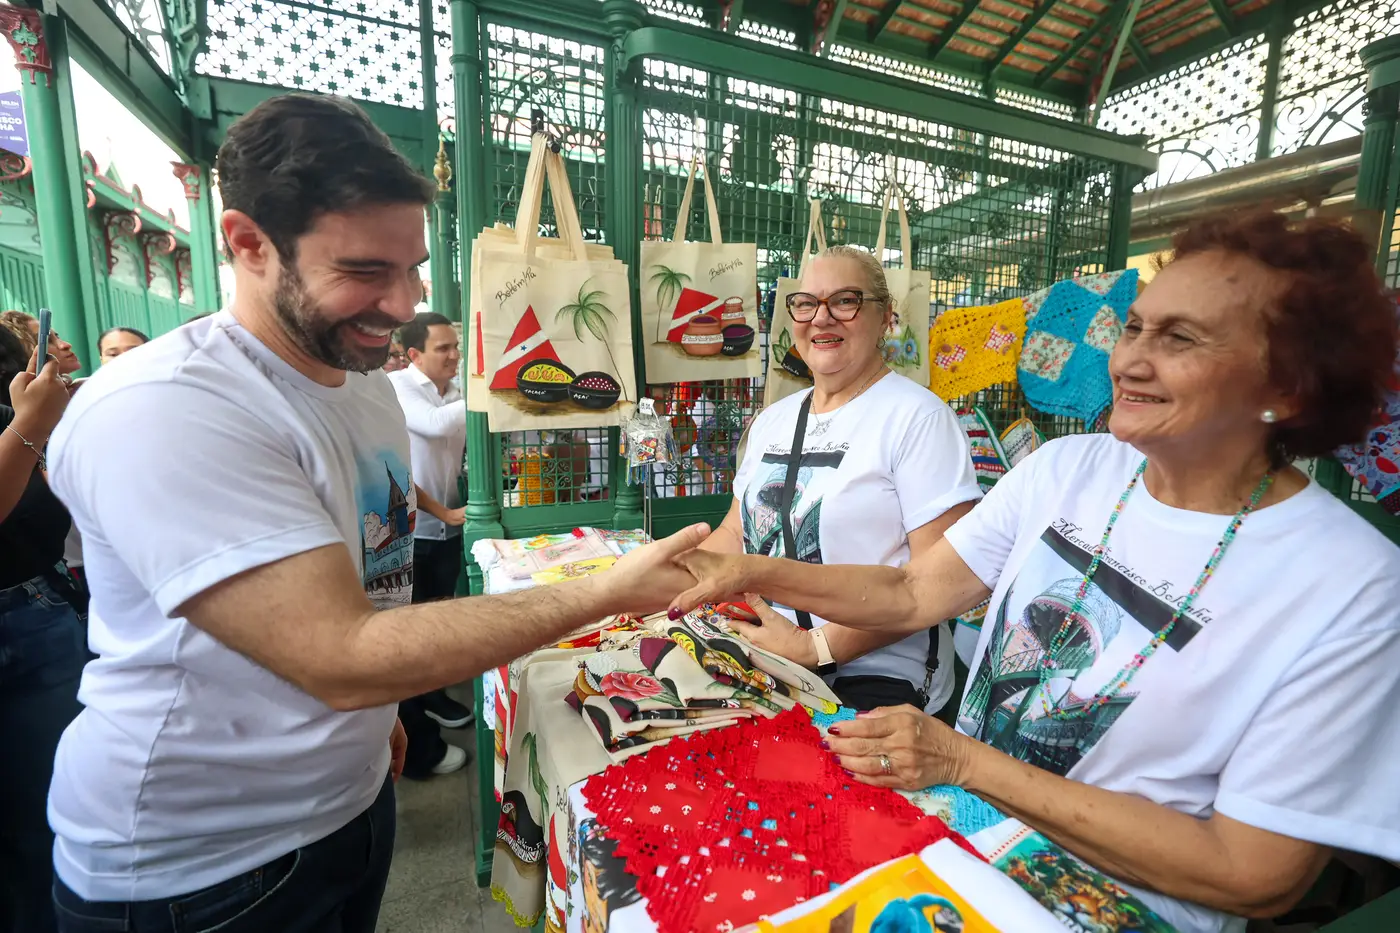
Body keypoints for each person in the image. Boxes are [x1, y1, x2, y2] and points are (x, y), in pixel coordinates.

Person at [44, 92, 705, 933]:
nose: (401, 304)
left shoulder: (363, 386)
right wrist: (606, 590)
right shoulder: (167, 406)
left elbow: (367, 578)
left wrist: (378, 714)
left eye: (412, 268)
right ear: (248, 243)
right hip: (200, 869)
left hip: (343, 806)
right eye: (363, 271)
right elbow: (341, 653)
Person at [671, 212, 1400, 933]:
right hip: (952, 833)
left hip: (1105, 902)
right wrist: (747, 571)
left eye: (1179, 338)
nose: (1128, 361)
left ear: (1289, 385)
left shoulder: (1352, 584)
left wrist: (959, 759)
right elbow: (916, 590)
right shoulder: (1068, 469)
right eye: (1134, 328)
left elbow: (1253, 874)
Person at [700, 246, 980, 715]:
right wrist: (674, 580)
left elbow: (942, 579)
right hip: (766, 655)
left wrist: (815, 648)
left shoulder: (918, 419)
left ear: (885, 317)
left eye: (845, 301)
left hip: (877, 675)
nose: (821, 317)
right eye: (807, 303)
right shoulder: (773, 420)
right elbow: (735, 532)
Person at [0, 331, 86, 933]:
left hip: (35, 608)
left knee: (49, 813)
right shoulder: (22, 421)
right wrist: (30, 428)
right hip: (34, 615)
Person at [388, 310, 473, 778]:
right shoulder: (398, 386)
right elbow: (436, 425)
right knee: (411, 626)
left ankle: (434, 697)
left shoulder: (457, 392)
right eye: (444, 348)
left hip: (450, 523)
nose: (454, 356)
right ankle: (416, 713)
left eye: (456, 346)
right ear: (414, 355)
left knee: (438, 614)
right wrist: (486, 391)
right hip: (410, 530)